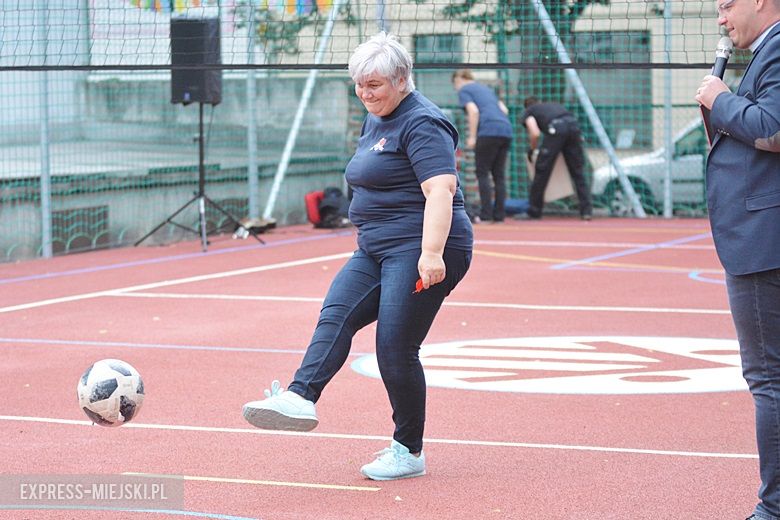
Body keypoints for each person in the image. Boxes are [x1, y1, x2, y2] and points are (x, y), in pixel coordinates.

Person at [242, 32, 473, 481]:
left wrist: (430, 254)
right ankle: (299, 396)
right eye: (360, 85)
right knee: (336, 314)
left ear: (402, 80)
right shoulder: (375, 118)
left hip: (422, 245)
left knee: (394, 347)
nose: (366, 94)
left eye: (375, 85)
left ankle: (408, 451)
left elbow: (440, 190)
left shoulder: (423, 122)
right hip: (375, 247)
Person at [694, 0, 780, 518]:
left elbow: (773, 129)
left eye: (727, 4)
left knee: (769, 378)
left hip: (763, 238)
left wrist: (721, 99)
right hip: (760, 234)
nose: (721, 17)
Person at [451, 69, 513, 223]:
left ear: (458, 80)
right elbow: (504, 109)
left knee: (482, 172)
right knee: (499, 175)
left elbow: (473, 111)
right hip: (505, 129)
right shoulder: (487, 89)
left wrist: (472, 136)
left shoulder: (465, 90)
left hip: (487, 131)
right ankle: (499, 215)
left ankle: (486, 215)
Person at [520, 96, 592, 220]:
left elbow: (535, 133)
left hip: (556, 129)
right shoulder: (553, 106)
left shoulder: (529, 111)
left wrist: (532, 150)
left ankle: (534, 211)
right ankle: (586, 211)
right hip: (574, 127)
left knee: (541, 170)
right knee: (578, 172)